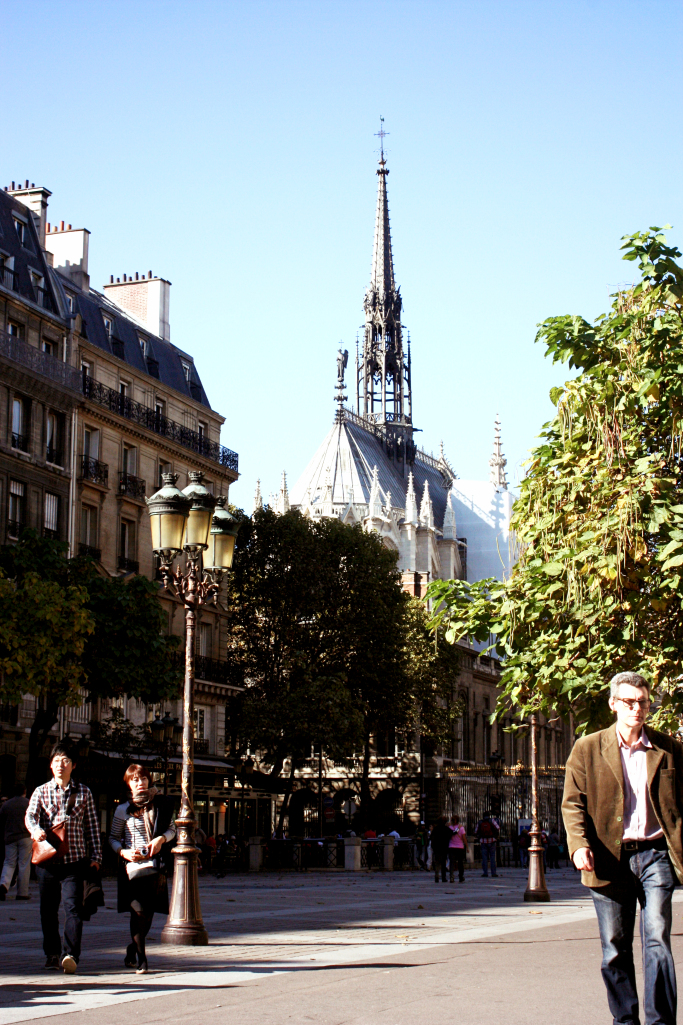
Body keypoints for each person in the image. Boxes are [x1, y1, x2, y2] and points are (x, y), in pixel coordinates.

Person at [563, 671, 683, 1025]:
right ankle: (625, 1020)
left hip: (655, 855)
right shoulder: (588, 747)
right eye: (629, 701)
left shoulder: (669, 748)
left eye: (643, 702)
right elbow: (572, 803)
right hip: (608, 858)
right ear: (614, 704)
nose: (637, 708)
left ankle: (661, 1021)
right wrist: (577, 846)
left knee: (658, 939)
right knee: (615, 948)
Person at [25, 741, 101, 973]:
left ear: (73, 765)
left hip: (74, 862)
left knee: (73, 909)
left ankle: (70, 955)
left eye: (66, 761)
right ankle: (52, 953)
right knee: (48, 910)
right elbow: (30, 816)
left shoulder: (84, 792)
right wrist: (35, 830)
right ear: (50, 765)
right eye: (57, 760)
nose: (61, 765)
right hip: (48, 862)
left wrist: (96, 856)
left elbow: (92, 827)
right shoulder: (41, 791)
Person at [109, 763, 176, 974]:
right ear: (128, 783)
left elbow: (173, 828)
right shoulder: (123, 810)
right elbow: (112, 838)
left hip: (155, 867)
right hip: (132, 869)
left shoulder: (160, 804)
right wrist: (123, 852)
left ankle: (132, 949)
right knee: (137, 913)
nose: (141, 783)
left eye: (144, 778)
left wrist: (160, 839)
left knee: (148, 916)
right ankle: (142, 959)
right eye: (135, 780)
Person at [0, 783, 31, 901]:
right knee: (24, 864)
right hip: (25, 836)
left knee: (9, 862)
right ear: (24, 791)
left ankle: (4, 884)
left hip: (10, 837)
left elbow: (1, 821)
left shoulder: (6, 805)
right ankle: (22, 893)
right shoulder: (29, 803)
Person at [475, 812, 499, 877]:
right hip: (492, 841)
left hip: (483, 841)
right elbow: (498, 827)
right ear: (489, 815)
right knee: (492, 858)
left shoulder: (480, 822)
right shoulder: (492, 821)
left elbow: (476, 831)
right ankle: (493, 873)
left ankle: (485, 872)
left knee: (484, 858)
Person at [430, 816, 453, 883]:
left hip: (437, 848)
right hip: (444, 848)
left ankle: (436, 877)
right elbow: (452, 834)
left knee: (437, 863)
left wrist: (433, 846)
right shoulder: (446, 829)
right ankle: (443, 877)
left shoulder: (435, 829)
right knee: (443, 863)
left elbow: (432, 838)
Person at [448, 815, 468, 883]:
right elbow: (464, 838)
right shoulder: (461, 828)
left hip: (451, 847)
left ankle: (451, 876)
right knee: (460, 863)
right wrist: (467, 846)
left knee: (452, 862)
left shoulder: (450, 828)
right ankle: (461, 876)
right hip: (460, 847)